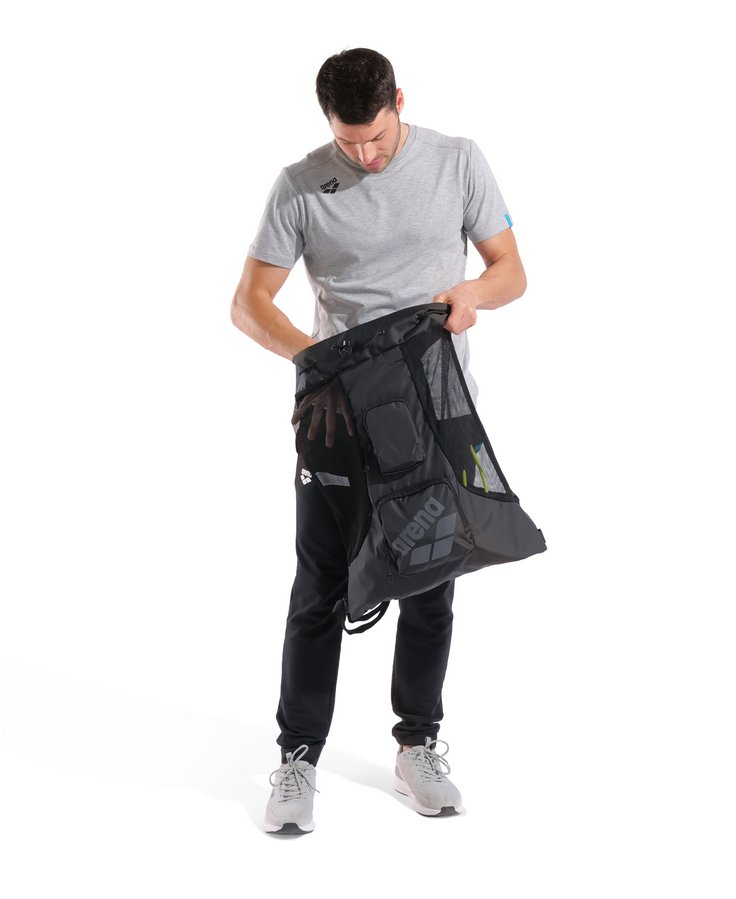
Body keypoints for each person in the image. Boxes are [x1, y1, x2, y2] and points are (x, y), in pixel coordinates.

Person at [230, 47, 527, 834]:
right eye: (348, 141)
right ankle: (297, 757)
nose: (364, 156)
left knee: (433, 582)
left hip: (437, 415)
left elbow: (511, 270)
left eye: (377, 138)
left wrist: (473, 292)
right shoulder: (300, 185)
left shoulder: (458, 162)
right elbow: (249, 302)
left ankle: (417, 744)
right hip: (339, 415)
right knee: (320, 586)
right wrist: (317, 361)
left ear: (400, 100)